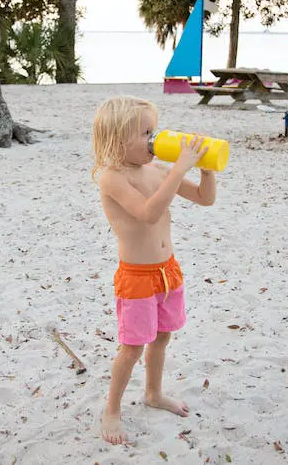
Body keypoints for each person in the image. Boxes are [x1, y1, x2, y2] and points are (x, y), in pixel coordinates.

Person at [91, 96, 217, 445]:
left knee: (162, 337)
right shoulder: (112, 178)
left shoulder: (159, 169)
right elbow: (147, 212)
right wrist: (179, 169)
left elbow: (205, 199)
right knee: (132, 346)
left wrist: (205, 167)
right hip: (137, 276)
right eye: (145, 132)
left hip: (167, 270)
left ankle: (153, 393)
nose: (154, 138)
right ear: (118, 139)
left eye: (154, 130)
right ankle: (112, 409)